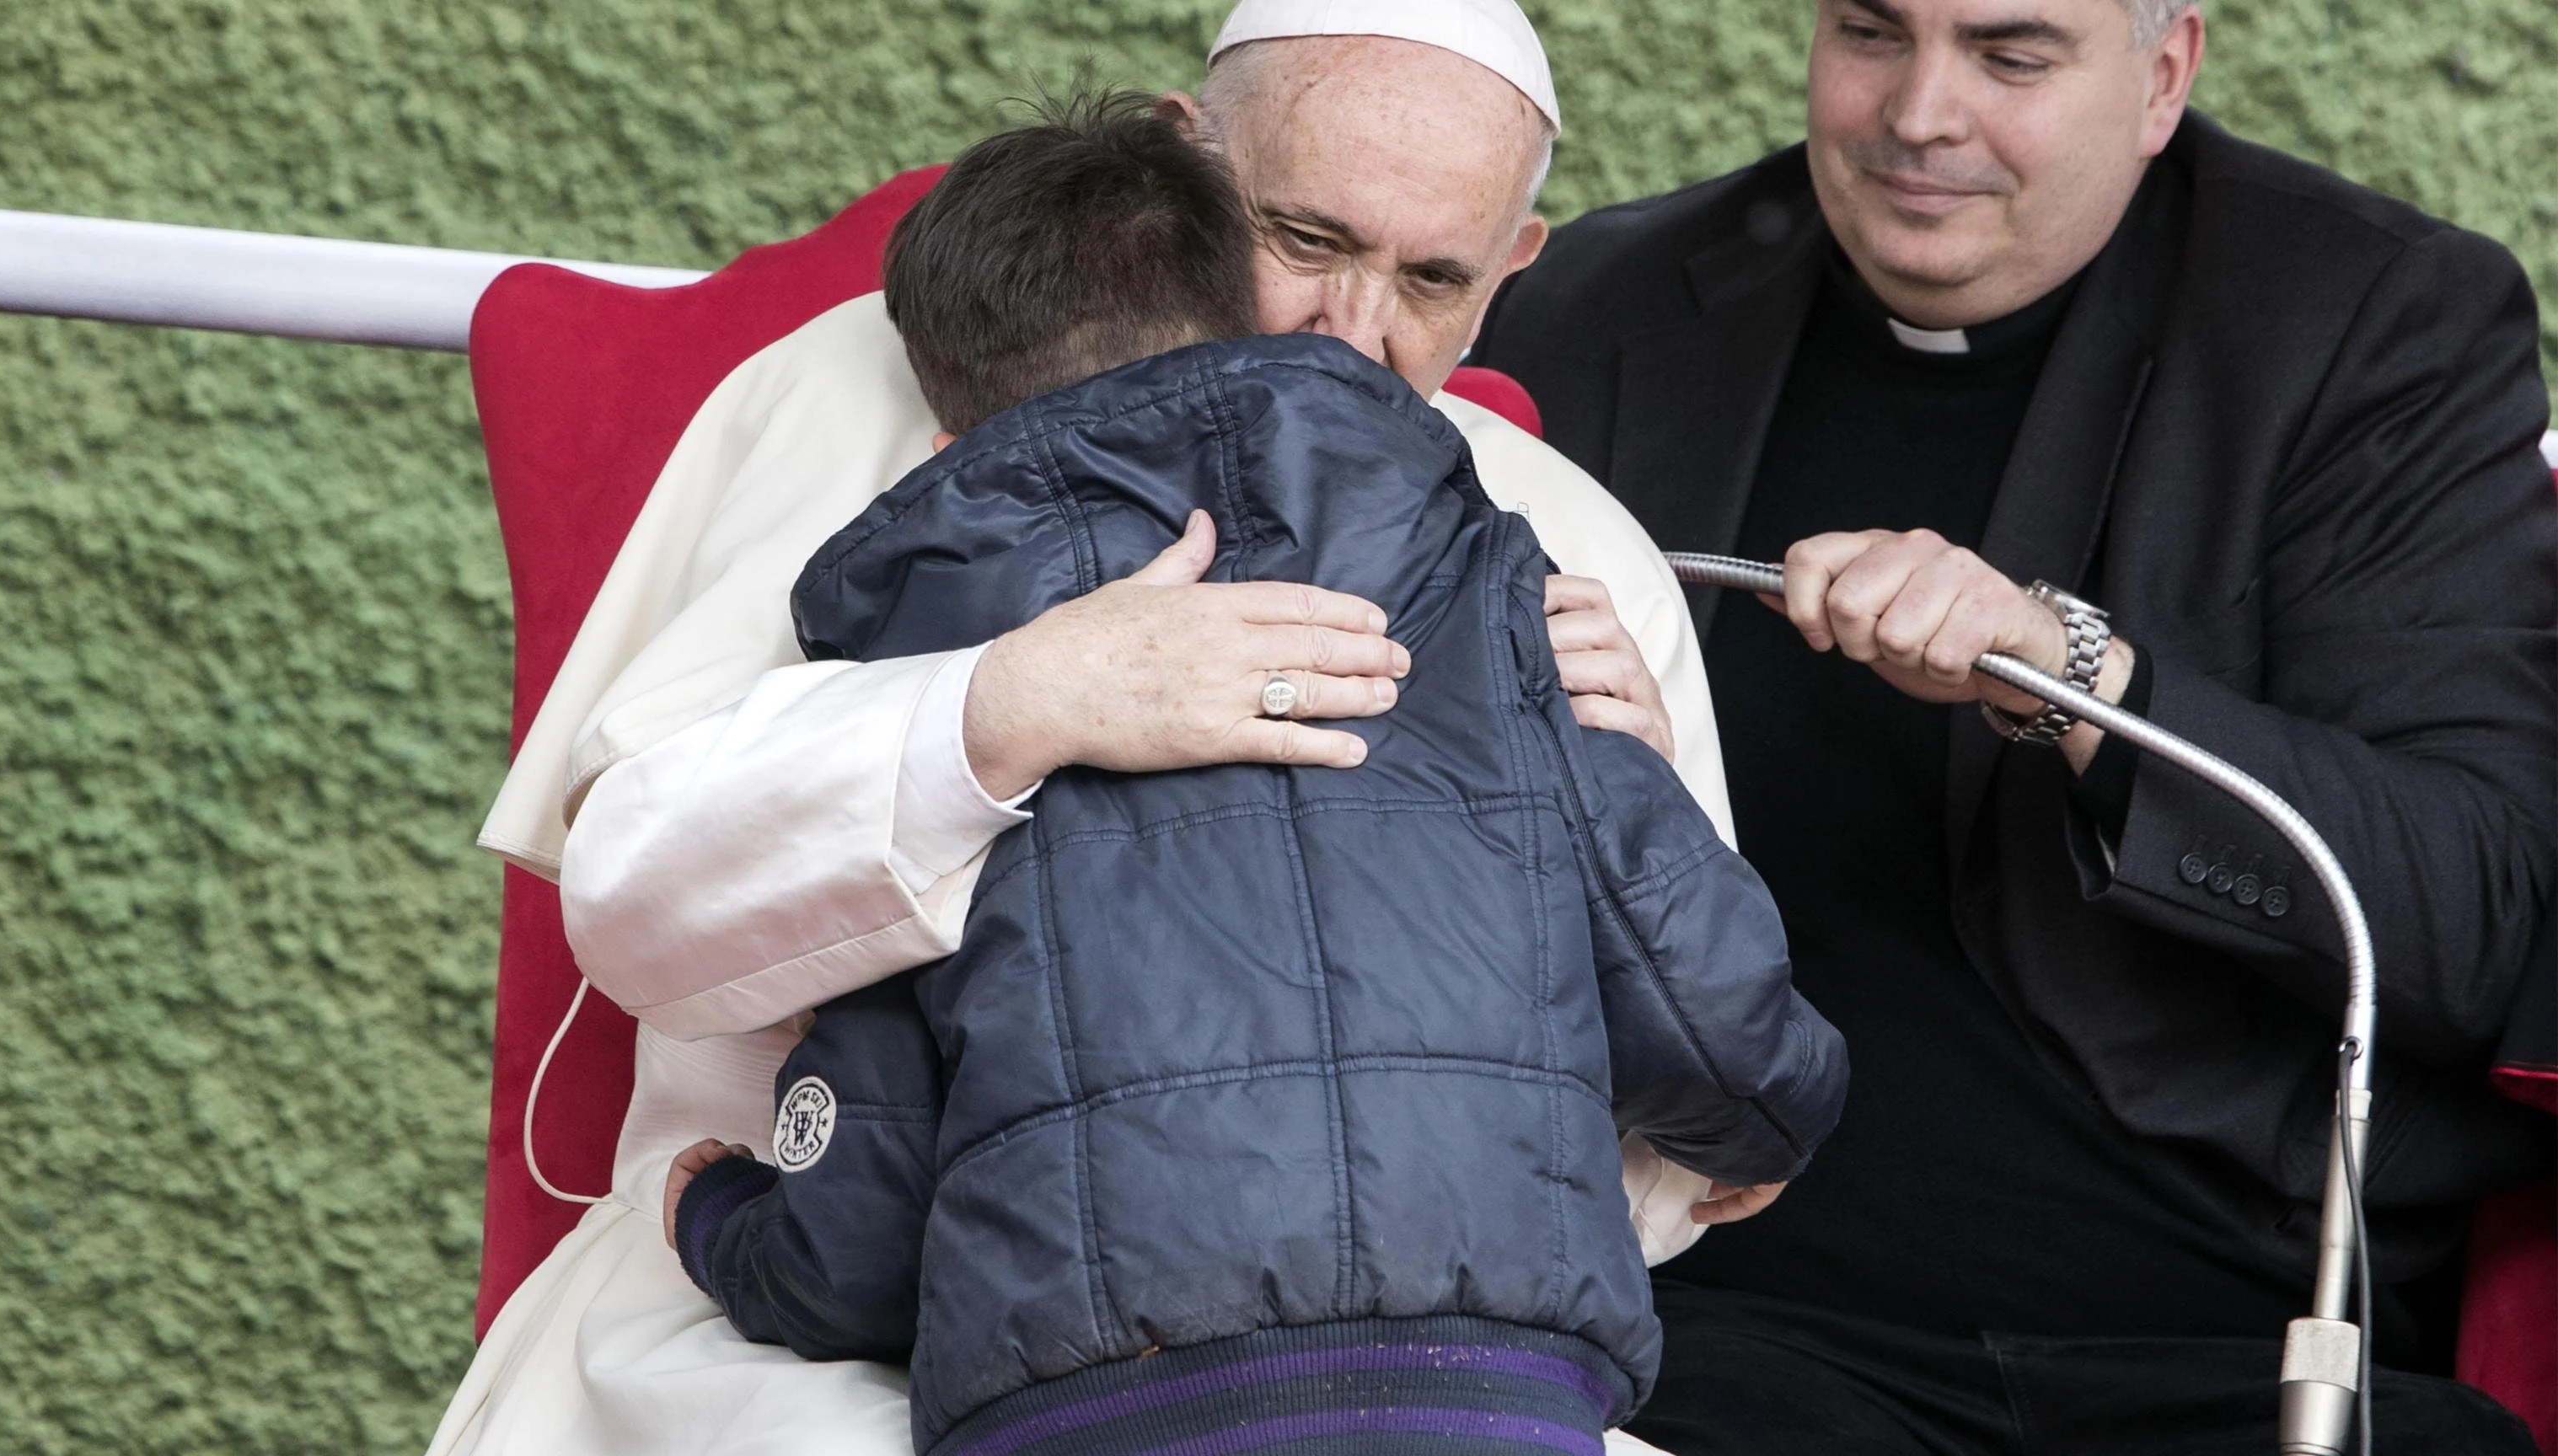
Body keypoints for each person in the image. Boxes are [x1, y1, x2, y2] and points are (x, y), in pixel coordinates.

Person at [428, 8, 1742, 1454]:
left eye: (1433, 278)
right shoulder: (880, 395)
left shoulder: (1569, 545)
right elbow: (637, 910)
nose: (1355, 339)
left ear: (1515, 266)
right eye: (1304, 238)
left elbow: (1660, 1174)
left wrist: (1634, 816)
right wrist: (1003, 712)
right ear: (1180, 157)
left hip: (1375, 1349)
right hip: (801, 1310)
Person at [1469, 0, 2558, 1450]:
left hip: (2203, 1336)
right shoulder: (1595, 302)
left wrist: (2078, 678)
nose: (1920, 112)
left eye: (2011, 53)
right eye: (1871, 32)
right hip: (1711, 1322)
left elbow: (2477, 913)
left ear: (2164, 73)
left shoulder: (2373, 325)